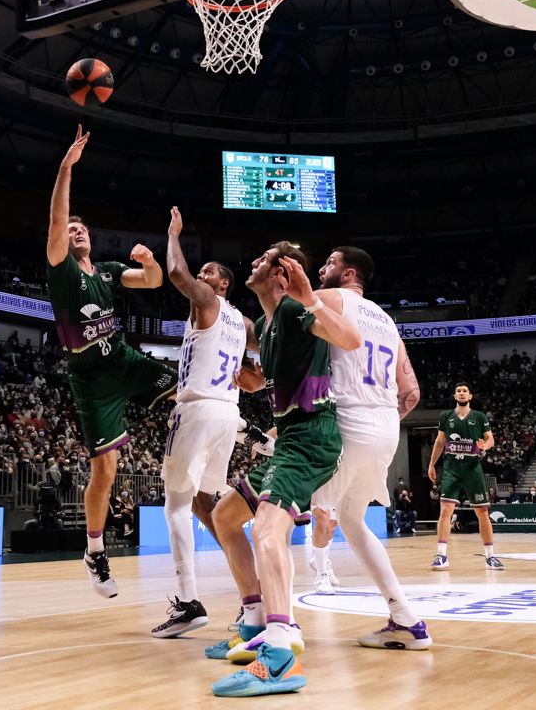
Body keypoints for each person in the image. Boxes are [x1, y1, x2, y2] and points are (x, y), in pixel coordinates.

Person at [208, 242, 360, 698]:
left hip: (310, 440)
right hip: (292, 440)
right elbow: (284, 382)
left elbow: (350, 339)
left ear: (281, 275)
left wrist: (311, 296)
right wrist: (257, 384)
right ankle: (255, 620)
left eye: (264, 259)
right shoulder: (272, 327)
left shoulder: (295, 310)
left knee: (268, 533)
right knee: (225, 517)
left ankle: (278, 649)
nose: (252, 261)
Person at [45, 126, 179, 599]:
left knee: (186, 383)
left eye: (82, 229)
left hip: (122, 358)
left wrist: (150, 259)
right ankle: (95, 551)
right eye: (71, 229)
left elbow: (153, 282)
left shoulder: (104, 270)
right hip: (91, 379)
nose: (76, 231)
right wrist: (66, 168)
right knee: (105, 471)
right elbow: (58, 221)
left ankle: (251, 433)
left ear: (91, 238)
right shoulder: (60, 269)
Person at [303, 246, 432, 649]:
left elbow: (285, 312)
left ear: (348, 273)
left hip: (348, 421)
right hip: (386, 427)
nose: (322, 267)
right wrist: (381, 420)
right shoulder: (388, 321)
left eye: (330, 262)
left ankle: (266, 628)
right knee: (354, 522)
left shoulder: (330, 299)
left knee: (299, 513)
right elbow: (410, 392)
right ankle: (405, 618)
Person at [151, 206, 262, 639]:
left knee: (175, 506)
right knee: (207, 506)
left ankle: (188, 602)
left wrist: (173, 234)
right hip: (227, 414)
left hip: (197, 409)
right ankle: (250, 595)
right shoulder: (245, 323)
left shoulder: (209, 301)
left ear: (223, 284)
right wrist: (257, 378)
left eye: (209, 272)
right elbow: (261, 367)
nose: (202, 276)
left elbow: (177, 274)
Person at [427, 382, 504, 571]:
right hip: (452, 467)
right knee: (445, 510)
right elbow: (439, 441)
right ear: (455, 396)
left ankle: (490, 556)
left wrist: (485, 445)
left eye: (465, 391)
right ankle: (441, 555)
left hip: (472, 468)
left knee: (482, 512)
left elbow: (490, 439)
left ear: (470, 396)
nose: (461, 393)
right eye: (459, 391)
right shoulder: (446, 416)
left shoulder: (479, 416)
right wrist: (431, 464)